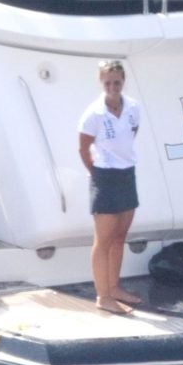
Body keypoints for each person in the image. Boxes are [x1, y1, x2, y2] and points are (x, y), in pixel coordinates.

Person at [78, 60, 142, 314]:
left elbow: (131, 134)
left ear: (123, 81)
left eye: (117, 82)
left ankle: (114, 287)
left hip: (127, 174)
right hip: (104, 176)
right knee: (103, 240)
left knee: (120, 236)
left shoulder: (133, 107)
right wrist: (97, 173)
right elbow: (83, 149)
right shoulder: (93, 114)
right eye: (108, 83)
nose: (113, 87)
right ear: (101, 83)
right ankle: (103, 296)